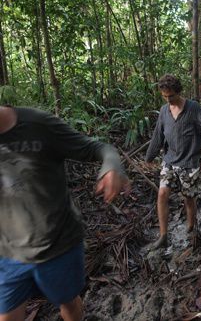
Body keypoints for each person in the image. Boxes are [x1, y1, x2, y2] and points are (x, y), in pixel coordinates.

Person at [0, 105, 129, 321]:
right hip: (8, 253)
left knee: (68, 302)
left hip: (59, 246)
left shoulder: (38, 125)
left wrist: (112, 166)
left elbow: (100, 148)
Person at [145, 74, 201, 249]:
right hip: (169, 160)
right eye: (165, 96)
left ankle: (190, 228)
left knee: (188, 198)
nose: (168, 99)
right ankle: (163, 235)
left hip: (189, 162)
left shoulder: (193, 108)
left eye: (171, 96)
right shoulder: (164, 111)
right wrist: (149, 157)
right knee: (162, 194)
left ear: (178, 92)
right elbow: (157, 136)